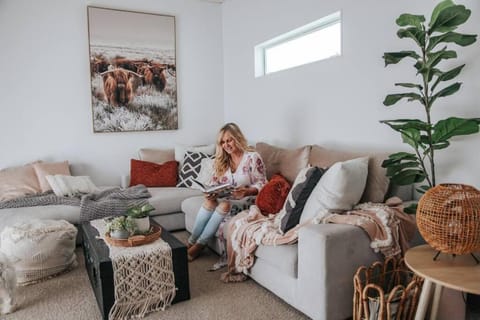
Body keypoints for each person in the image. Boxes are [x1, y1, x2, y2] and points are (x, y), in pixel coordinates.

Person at [187, 123, 267, 261]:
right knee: (209, 201)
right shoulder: (223, 159)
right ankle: (191, 242)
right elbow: (214, 182)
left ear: (237, 138)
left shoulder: (252, 157)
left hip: (247, 200)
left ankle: (199, 245)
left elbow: (263, 184)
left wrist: (247, 192)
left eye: (229, 140)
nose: (226, 145)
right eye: (222, 142)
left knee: (224, 205)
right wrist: (210, 191)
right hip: (228, 197)